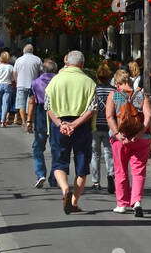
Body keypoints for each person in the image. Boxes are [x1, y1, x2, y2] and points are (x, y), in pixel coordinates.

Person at [45, 50, 97, 214]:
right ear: (82, 64)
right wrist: (74, 124)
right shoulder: (89, 83)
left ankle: (65, 188)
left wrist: (61, 124)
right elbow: (91, 109)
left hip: (59, 125)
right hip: (81, 126)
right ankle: (74, 202)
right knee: (82, 166)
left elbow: (48, 106)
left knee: (59, 163)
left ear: (67, 63)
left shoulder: (55, 80)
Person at [106, 67, 151, 217]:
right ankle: (137, 201)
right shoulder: (141, 94)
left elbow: (109, 117)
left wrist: (117, 134)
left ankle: (122, 204)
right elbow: (149, 116)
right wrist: (140, 133)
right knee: (138, 171)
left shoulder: (114, 95)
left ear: (117, 83)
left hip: (121, 139)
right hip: (141, 139)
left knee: (120, 171)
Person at [29, 58, 57, 188]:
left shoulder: (36, 83)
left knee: (38, 147)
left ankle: (40, 173)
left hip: (41, 114)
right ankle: (54, 177)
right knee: (56, 148)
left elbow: (31, 102)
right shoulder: (59, 81)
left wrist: (28, 120)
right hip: (57, 115)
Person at [91, 61, 116, 194]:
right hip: (109, 125)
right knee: (109, 153)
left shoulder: (94, 89)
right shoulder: (113, 90)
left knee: (95, 154)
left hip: (95, 125)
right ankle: (110, 175)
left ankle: (96, 181)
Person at [13, 43, 43, 132]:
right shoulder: (37, 59)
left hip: (21, 84)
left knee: (21, 104)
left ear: (23, 51)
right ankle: (29, 121)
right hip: (33, 84)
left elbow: (14, 72)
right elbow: (41, 72)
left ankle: (23, 122)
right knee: (30, 104)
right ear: (32, 51)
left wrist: (17, 81)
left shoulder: (18, 60)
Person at [0, 50, 16, 126]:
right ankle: (3, 121)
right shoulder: (11, 67)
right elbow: (12, 80)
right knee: (5, 103)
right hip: (8, 85)